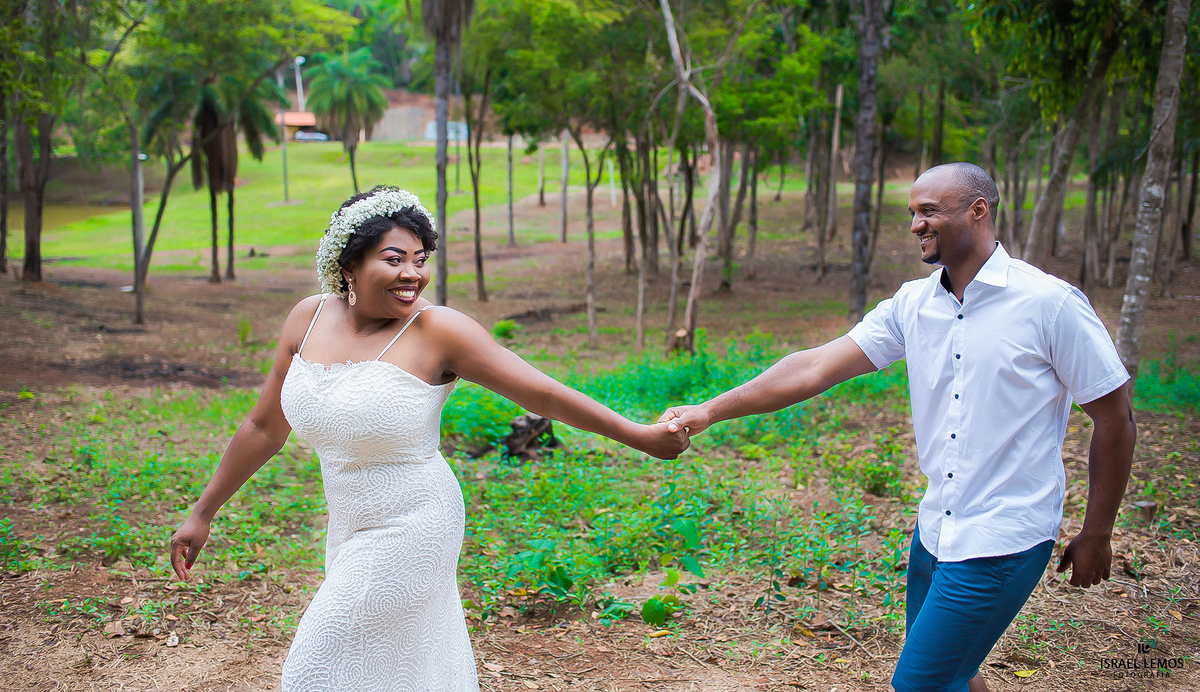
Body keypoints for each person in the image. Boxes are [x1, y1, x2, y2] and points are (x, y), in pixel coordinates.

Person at [170, 185, 690, 692]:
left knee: (317, 661)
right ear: (348, 263)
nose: (411, 275)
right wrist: (203, 511)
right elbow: (264, 426)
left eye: (420, 260)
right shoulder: (307, 320)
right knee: (387, 667)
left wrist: (638, 436)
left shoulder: (439, 331)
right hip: (349, 524)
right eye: (394, 259)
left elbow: (544, 395)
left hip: (416, 520)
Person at [660, 163, 1136, 692]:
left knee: (918, 684)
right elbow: (814, 367)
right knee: (958, 673)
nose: (916, 225)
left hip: (1003, 537)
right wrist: (707, 411)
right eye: (912, 213)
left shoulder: (1049, 305)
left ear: (978, 210)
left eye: (929, 211)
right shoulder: (914, 304)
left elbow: (1115, 416)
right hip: (936, 531)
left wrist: (1097, 532)